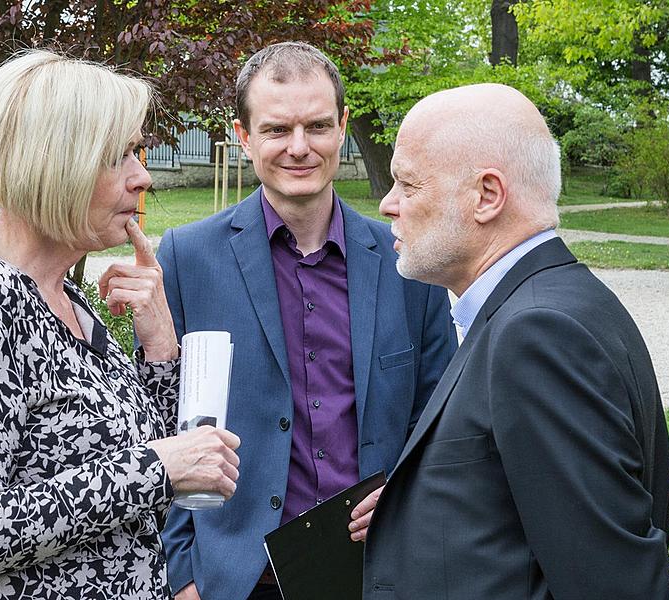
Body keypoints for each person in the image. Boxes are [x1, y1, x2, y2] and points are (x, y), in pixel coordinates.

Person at [0, 50, 241, 600]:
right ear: (53, 164)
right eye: (118, 157)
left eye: (137, 153)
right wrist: (157, 469)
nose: (142, 177)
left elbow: (129, 450)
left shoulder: (63, 296)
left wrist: (159, 345)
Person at [158, 42, 456, 600]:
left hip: (380, 571)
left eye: (317, 126)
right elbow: (162, 418)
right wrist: (183, 574)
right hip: (241, 578)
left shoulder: (408, 261)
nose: (300, 148)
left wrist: (408, 492)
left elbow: (441, 414)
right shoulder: (187, 257)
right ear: (244, 137)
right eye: (276, 130)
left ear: (342, 127)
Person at [359, 83, 669, 599]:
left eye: (408, 184)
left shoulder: (538, 333)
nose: (388, 203)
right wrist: (416, 505)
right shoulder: (548, 302)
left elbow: (614, 583)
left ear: (487, 196)